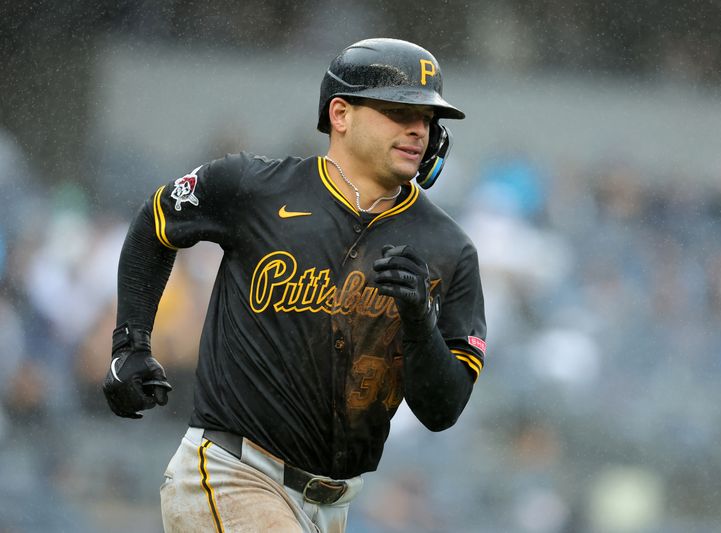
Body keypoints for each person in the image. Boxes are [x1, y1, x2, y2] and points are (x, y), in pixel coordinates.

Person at [102, 37, 486, 533]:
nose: (419, 129)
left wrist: (419, 324)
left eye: (428, 119)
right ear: (341, 114)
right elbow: (154, 224)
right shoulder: (255, 189)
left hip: (332, 506)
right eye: (399, 111)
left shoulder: (449, 248)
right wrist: (130, 343)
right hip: (232, 472)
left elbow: (443, 410)